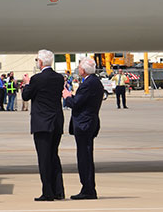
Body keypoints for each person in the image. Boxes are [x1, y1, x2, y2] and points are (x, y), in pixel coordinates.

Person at [21, 49, 65, 202]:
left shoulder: (37, 79)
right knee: (54, 155)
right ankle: (58, 190)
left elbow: (26, 96)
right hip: (56, 121)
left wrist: (27, 84)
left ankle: (48, 192)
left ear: (40, 62)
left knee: (44, 158)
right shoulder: (59, 78)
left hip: (42, 123)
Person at [62, 57, 104, 200]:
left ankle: (88, 189)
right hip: (89, 122)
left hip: (84, 124)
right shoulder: (94, 82)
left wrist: (67, 96)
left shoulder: (89, 84)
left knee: (84, 158)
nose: (78, 69)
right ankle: (88, 188)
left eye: (79, 67)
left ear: (84, 70)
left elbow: (76, 103)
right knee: (86, 156)